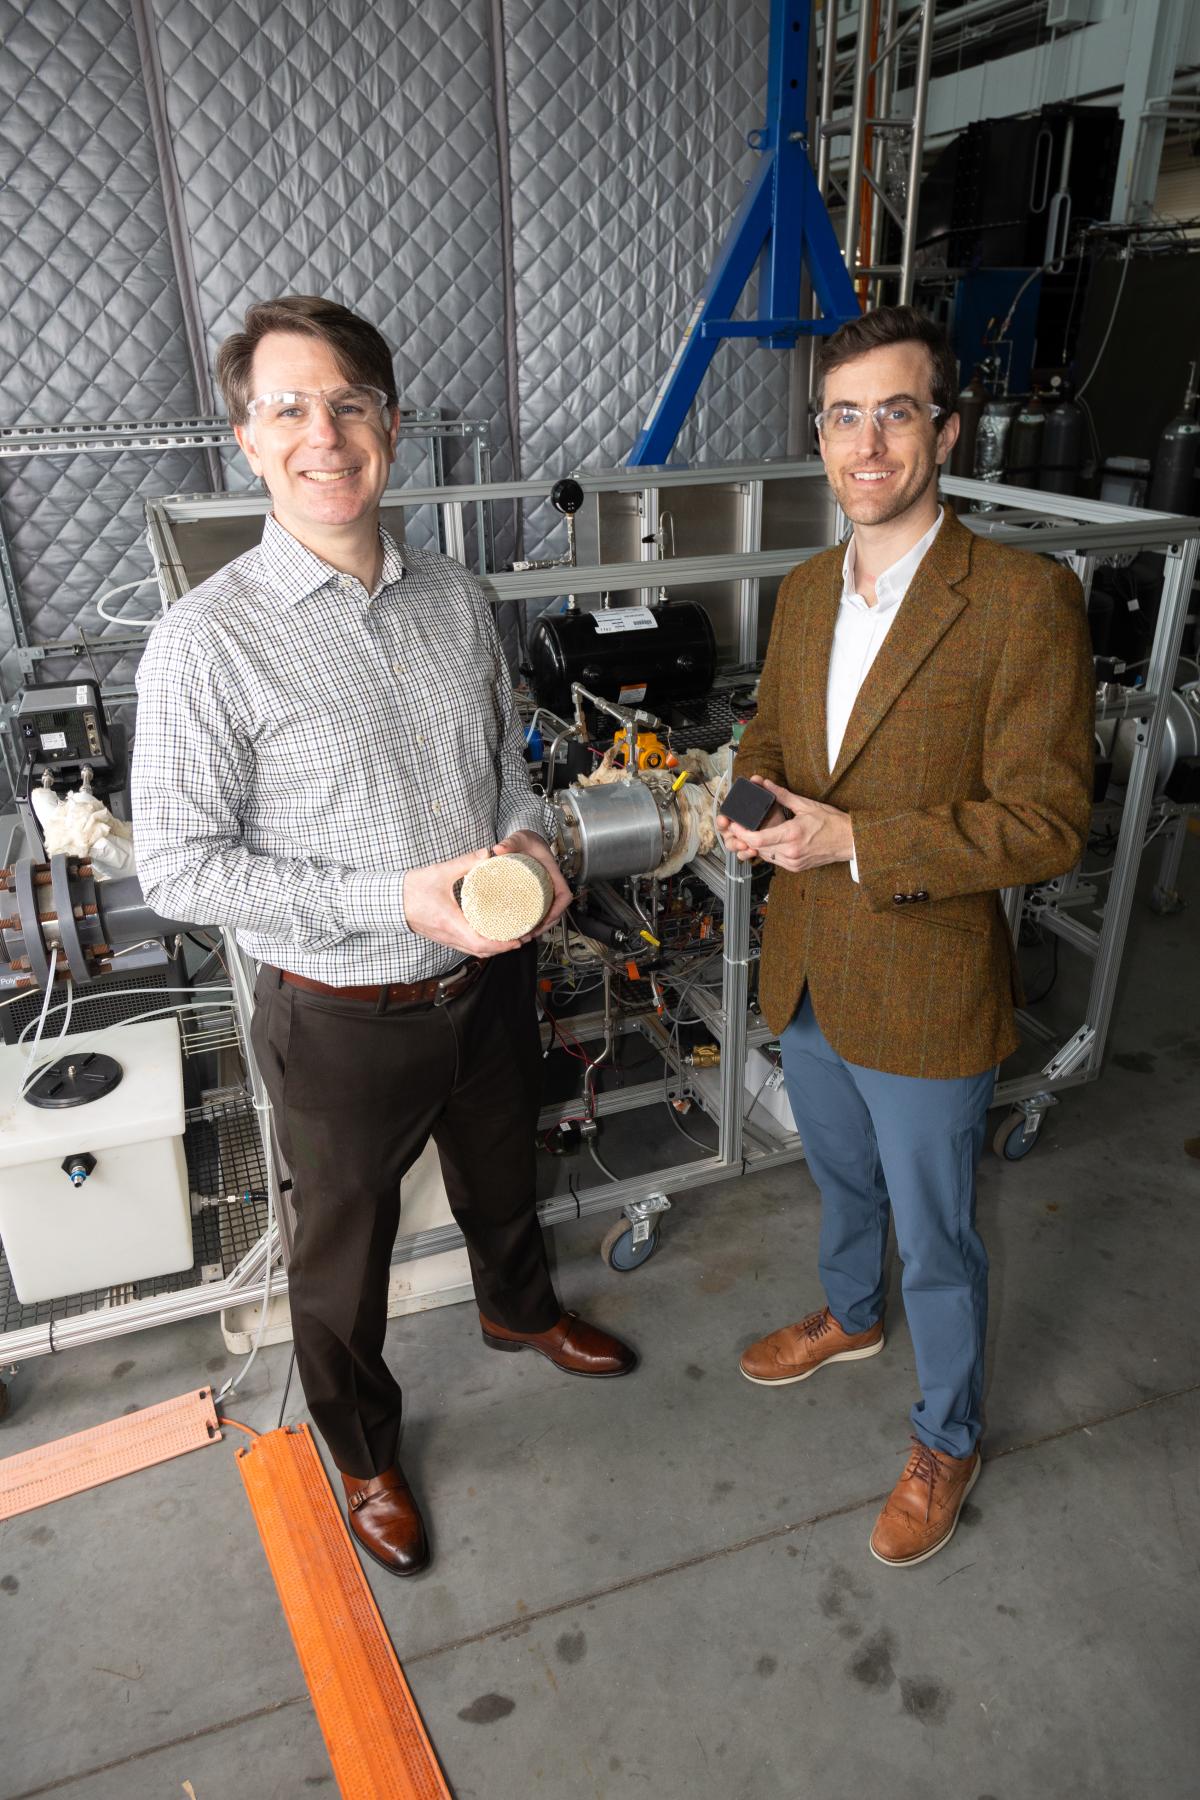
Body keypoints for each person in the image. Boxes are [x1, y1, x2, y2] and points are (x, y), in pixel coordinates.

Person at [132, 295, 636, 1579]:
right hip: (340, 1016)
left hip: (486, 980)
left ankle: (521, 1313)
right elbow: (183, 868)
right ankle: (362, 1450)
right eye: (289, 408)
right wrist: (387, 899)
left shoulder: (456, 598)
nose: (325, 434)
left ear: (393, 427)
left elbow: (503, 773)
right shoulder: (205, 643)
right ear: (245, 439)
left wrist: (528, 844)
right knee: (340, 1258)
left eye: (350, 403)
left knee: (502, 1171)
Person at [718, 305, 1094, 1568]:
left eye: (894, 412)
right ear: (818, 437)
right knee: (840, 1177)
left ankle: (948, 1429)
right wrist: (752, 814)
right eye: (842, 415)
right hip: (810, 962)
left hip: (927, 981)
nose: (865, 442)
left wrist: (859, 844)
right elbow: (773, 746)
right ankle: (849, 1313)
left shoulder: (1020, 601)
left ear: (944, 428)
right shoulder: (808, 587)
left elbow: (1047, 822)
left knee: (939, 1229)